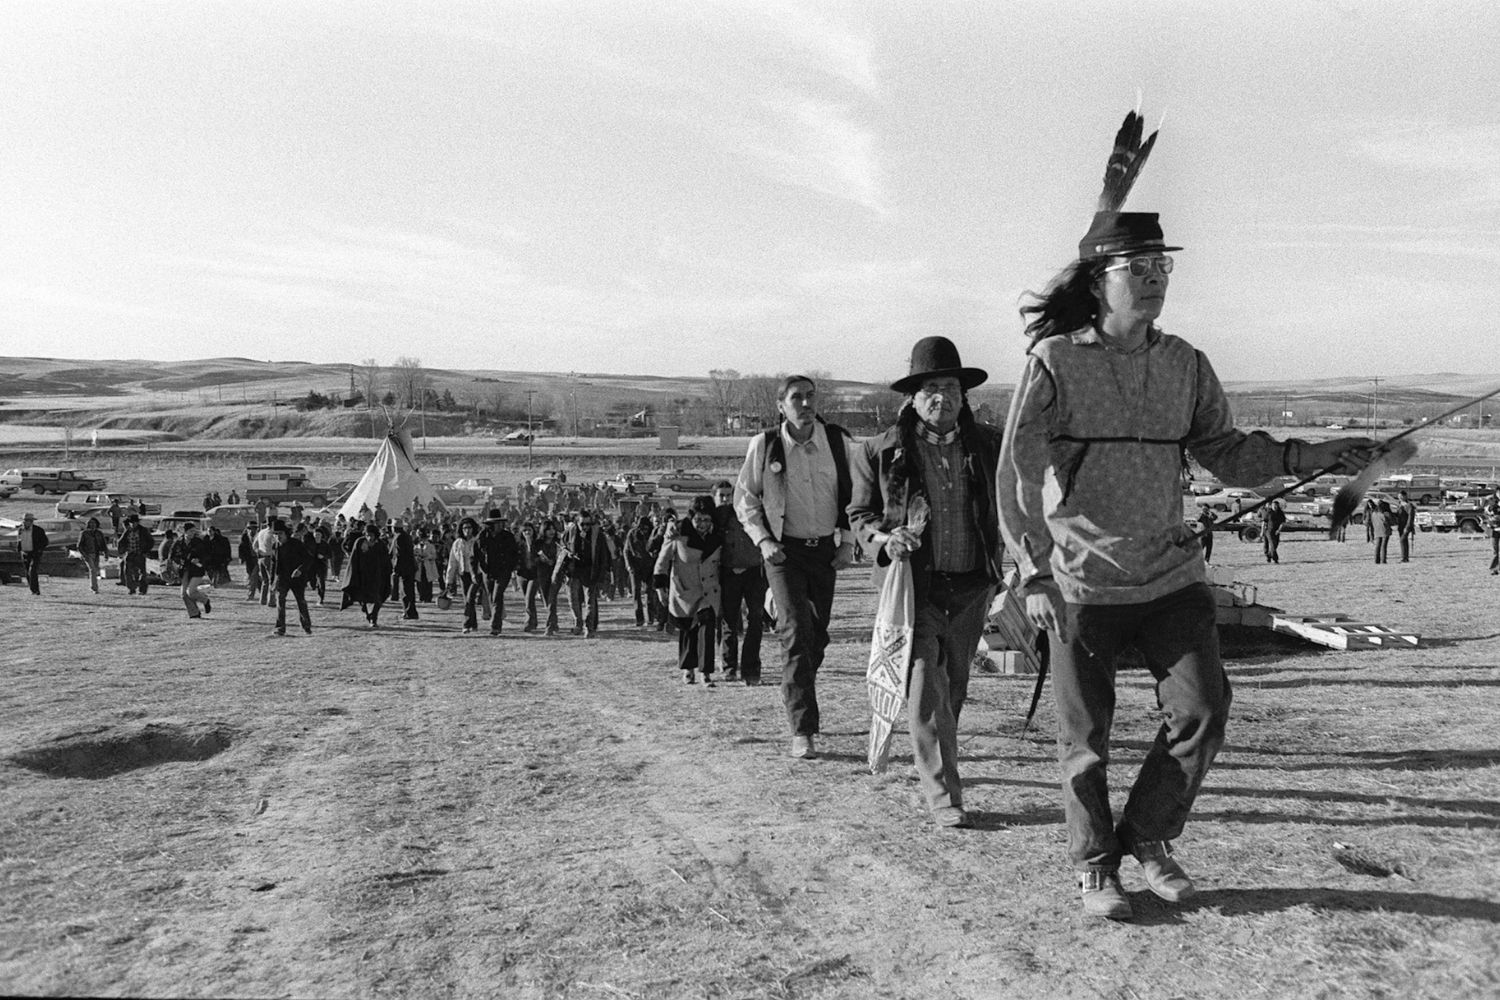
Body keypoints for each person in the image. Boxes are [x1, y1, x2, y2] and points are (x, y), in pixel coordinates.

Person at [996, 116, 1378, 920]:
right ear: (1101, 278)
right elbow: (1017, 473)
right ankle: (1097, 864)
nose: (1156, 278)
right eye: (1138, 266)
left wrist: (1311, 457)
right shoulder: (1056, 363)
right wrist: (1031, 569)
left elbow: (1227, 450)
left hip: (1170, 574)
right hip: (1079, 582)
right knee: (1085, 741)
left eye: (1162, 265)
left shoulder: (1185, 364)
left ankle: (1149, 835)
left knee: (1203, 712)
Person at [849, 336, 1005, 829]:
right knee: (927, 691)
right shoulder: (882, 451)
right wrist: (883, 538)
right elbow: (859, 514)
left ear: (965, 396)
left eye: (951, 388)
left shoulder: (989, 444)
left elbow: (1014, 503)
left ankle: (941, 758)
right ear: (912, 398)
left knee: (953, 685)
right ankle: (944, 796)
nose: (943, 398)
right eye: (931, 388)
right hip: (914, 590)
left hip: (974, 585)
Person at [735, 375, 856, 760]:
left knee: (816, 637)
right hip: (784, 555)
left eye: (810, 397)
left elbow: (857, 495)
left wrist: (847, 542)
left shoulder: (837, 442)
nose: (805, 404)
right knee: (796, 632)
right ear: (780, 405)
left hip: (824, 552)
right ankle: (802, 730)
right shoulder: (765, 444)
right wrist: (764, 541)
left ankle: (795, 684)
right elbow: (746, 499)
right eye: (796, 398)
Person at [654, 496, 724, 685]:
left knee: (707, 628)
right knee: (688, 630)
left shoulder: (718, 536)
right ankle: (688, 668)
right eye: (698, 519)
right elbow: (662, 560)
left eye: (707, 519)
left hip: (708, 591)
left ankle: (706, 672)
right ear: (691, 518)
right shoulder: (677, 532)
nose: (702, 524)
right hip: (684, 590)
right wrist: (660, 587)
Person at [713, 478, 765, 686]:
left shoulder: (747, 513)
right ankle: (729, 666)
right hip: (728, 573)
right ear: (714, 497)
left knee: (756, 621)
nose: (726, 499)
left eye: (729, 495)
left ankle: (751, 669)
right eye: (721, 496)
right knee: (729, 622)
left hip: (753, 572)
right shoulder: (713, 519)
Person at [555, 510, 616, 637]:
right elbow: (562, 545)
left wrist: (604, 571)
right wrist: (568, 553)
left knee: (590, 602)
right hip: (573, 570)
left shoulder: (597, 534)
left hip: (590, 571)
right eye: (583, 524)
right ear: (577, 522)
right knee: (573, 599)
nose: (586, 527)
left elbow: (604, 554)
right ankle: (578, 623)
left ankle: (589, 627)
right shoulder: (570, 532)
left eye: (588, 524)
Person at [476, 511, 520, 635]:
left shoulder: (508, 536)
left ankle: (495, 626)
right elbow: (476, 554)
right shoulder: (482, 537)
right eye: (498, 523)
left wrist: (510, 567)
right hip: (487, 571)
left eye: (502, 523)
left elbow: (514, 553)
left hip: (503, 571)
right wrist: (478, 570)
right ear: (491, 524)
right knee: (491, 597)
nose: (501, 525)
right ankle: (496, 621)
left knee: (497, 596)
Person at [342, 521, 392, 628]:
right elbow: (354, 558)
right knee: (362, 599)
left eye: (371, 535)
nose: (369, 537)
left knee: (378, 598)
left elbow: (386, 560)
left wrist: (387, 572)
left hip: (376, 577)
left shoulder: (380, 545)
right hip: (362, 576)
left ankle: (374, 618)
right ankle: (368, 614)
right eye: (367, 535)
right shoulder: (360, 542)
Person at [270, 519, 316, 636]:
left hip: (297, 579)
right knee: (281, 602)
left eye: (280, 533)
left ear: (286, 533)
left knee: (301, 601)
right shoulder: (275, 546)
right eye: (275, 534)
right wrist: (272, 582)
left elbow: (309, 559)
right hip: (282, 578)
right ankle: (280, 627)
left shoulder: (296, 544)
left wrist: (300, 570)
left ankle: (306, 625)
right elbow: (273, 565)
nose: (277, 536)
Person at [447, 516, 484, 633]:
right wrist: (449, 579)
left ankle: (466, 623)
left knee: (470, 597)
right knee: (467, 600)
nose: (467, 530)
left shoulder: (477, 541)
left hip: (476, 573)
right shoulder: (457, 543)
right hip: (463, 574)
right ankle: (473, 624)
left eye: (469, 527)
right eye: (464, 528)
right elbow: (452, 562)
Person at [171, 522, 213, 619]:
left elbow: (207, 555)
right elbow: (172, 556)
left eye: (194, 531)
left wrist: (199, 560)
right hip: (184, 569)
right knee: (183, 594)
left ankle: (205, 600)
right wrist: (179, 562)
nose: (192, 533)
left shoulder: (198, 542)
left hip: (197, 570)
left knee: (191, 592)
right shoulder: (178, 542)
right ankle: (194, 613)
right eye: (190, 531)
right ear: (185, 531)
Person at [389, 522, 419, 621]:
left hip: (404, 567)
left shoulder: (398, 538)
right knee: (410, 590)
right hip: (410, 567)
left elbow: (399, 554)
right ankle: (412, 611)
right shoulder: (407, 536)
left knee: (405, 592)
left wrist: (396, 569)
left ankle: (408, 612)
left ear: (394, 528)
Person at [118, 514, 152, 595]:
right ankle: (131, 588)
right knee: (128, 573)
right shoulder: (127, 531)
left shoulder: (143, 530)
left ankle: (142, 589)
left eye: (135, 522)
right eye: (131, 523)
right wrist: (122, 550)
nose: (133, 524)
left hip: (140, 554)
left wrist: (145, 551)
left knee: (142, 573)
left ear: (137, 522)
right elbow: (121, 541)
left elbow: (150, 542)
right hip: (129, 554)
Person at [15, 513, 48, 596]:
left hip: (35, 553)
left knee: (32, 571)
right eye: (24, 521)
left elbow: (45, 542)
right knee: (27, 572)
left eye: (27, 521)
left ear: (31, 521)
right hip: (24, 553)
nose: (25, 522)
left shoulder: (38, 530)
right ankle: (33, 590)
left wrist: (39, 550)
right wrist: (18, 550)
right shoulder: (20, 530)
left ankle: (36, 590)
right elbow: (19, 541)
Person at [78, 516, 111, 594]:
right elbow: (79, 545)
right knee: (93, 570)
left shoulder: (99, 533)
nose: (92, 525)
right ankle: (94, 588)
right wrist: (83, 554)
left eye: (94, 523)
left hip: (96, 554)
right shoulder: (84, 533)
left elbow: (103, 544)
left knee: (95, 570)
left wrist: (106, 553)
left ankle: (93, 586)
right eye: (90, 523)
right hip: (87, 554)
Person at [1396, 491, 1418, 562]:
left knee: (1402, 540)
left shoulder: (1409, 505)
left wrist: (1407, 527)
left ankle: (1404, 557)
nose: (1399, 498)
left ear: (1405, 496)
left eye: (1401, 496)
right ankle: (1405, 557)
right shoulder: (1399, 505)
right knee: (1404, 541)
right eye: (1399, 496)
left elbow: (1410, 517)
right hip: (1400, 526)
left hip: (1406, 526)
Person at [1371, 499, 1393, 564]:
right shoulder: (1385, 514)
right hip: (1385, 531)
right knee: (1384, 546)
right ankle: (1383, 560)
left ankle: (1376, 560)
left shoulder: (1374, 513)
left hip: (1377, 531)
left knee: (1377, 546)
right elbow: (1391, 521)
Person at [1484, 493, 1500, 575]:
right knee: (1495, 551)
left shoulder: (1498, 508)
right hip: (1494, 531)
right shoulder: (1487, 509)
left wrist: (1492, 519)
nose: (1489, 502)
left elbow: (1497, 518)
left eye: (1490, 500)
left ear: (1494, 500)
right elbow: (1486, 518)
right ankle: (1494, 569)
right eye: (1488, 500)